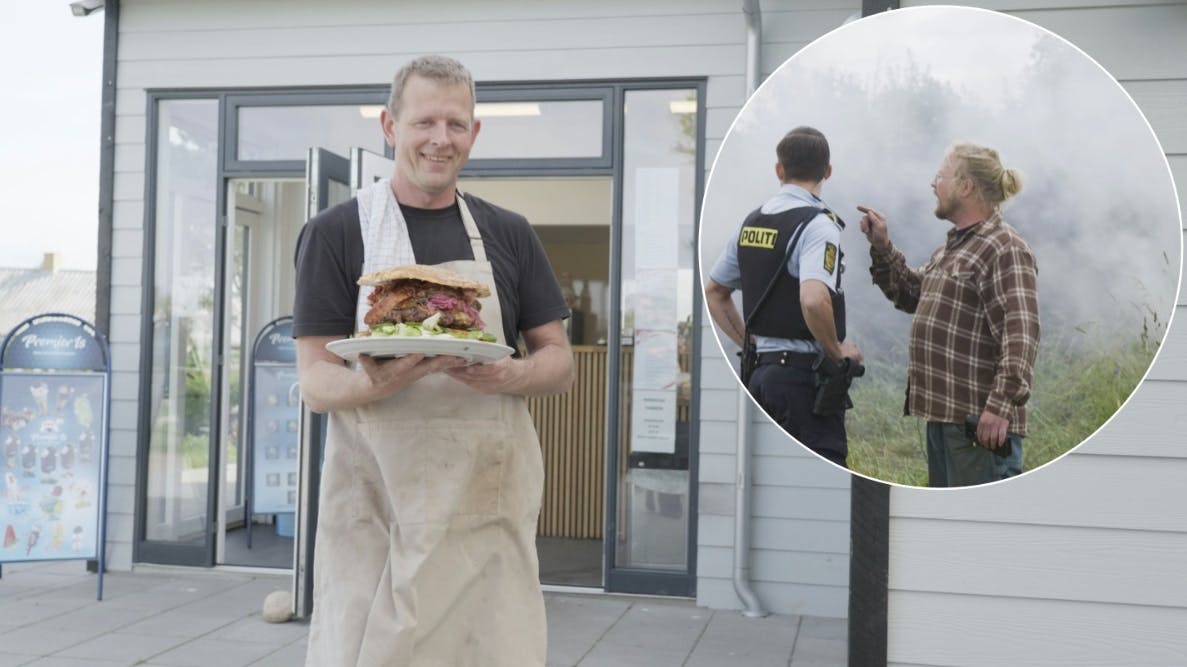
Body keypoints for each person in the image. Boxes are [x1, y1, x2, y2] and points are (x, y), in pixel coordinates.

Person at [292, 55, 573, 666]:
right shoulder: (337, 233)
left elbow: (559, 361)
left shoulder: (511, 233)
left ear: (474, 133)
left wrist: (511, 373)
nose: (439, 139)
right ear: (391, 126)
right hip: (379, 509)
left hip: (483, 515)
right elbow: (314, 380)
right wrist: (377, 382)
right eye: (424, 122)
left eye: (455, 123)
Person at [857, 142, 1039, 487]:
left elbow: (1020, 335)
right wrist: (882, 248)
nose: (933, 184)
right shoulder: (954, 247)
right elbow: (910, 293)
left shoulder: (1005, 248)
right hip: (946, 419)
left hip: (978, 427)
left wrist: (999, 406)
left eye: (940, 176)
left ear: (965, 186)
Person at [704, 126, 862, 468]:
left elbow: (715, 292)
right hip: (803, 385)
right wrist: (838, 353)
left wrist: (749, 344)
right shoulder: (819, 226)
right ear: (827, 172)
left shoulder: (752, 222)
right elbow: (813, 299)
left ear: (779, 170)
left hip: (759, 378)